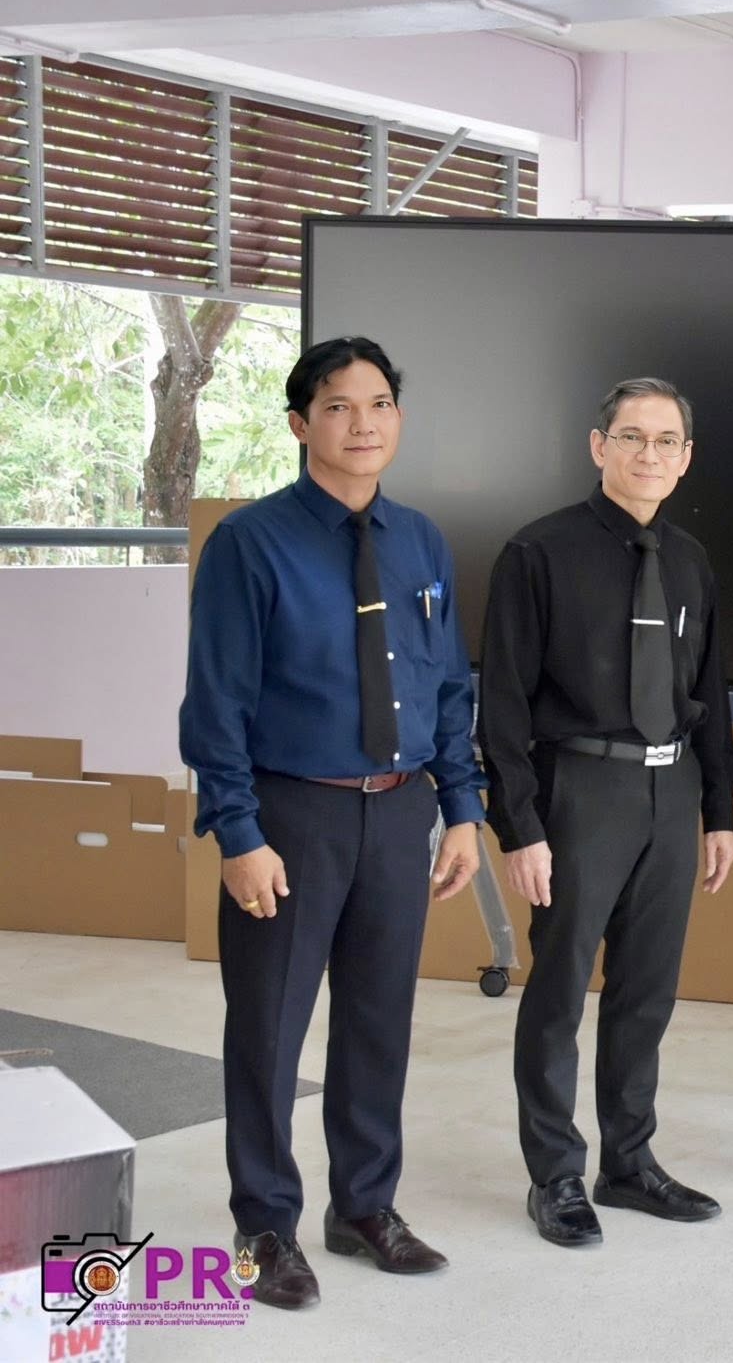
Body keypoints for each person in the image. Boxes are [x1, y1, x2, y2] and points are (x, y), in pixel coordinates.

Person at [180, 335, 486, 1310]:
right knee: (269, 1029)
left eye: (380, 404)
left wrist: (463, 808)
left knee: (377, 1022)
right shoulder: (250, 542)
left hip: (399, 812)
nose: (363, 424)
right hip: (291, 813)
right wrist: (237, 832)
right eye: (340, 406)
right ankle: (265, 1224)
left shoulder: (422, 541)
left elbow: (448, 686)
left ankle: (365, 1207)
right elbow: (215, 703)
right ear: (299, 423)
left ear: (399, 417)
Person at [478, 377, 733, 1248]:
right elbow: (502, 704)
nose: (649, 455)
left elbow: (709, 695)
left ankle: (629, 1163)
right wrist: (520, 826)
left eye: (666, 441)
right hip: (579, 792)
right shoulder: (538, 552)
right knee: (559, 991)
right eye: (632, 437)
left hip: (671, 792)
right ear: (599, 447)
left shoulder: (691, 561)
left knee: (646, 992)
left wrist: (719, 810)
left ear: (686, 458)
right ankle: (555, 1174)